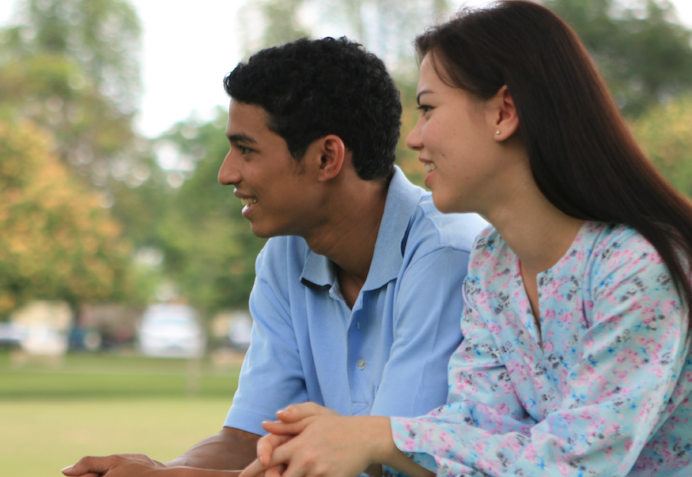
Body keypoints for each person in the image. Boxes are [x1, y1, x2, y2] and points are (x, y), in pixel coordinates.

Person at [241, 2, 692, 476]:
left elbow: (577, 461)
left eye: (428, 109)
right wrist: (338, 441)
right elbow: (477, 430)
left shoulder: (639, 267)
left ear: (504, 111)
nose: (413, 139)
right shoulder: (492, 263)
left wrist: (376, 436)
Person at [61, 37, 486, 477]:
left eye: (246, 149)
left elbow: (390, 465)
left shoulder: (447, 254)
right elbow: (248, 440)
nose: (226, 173)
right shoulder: (284, 256)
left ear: (326, 158)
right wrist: (160, 469)